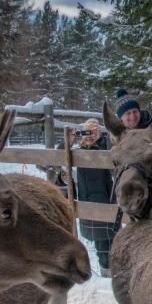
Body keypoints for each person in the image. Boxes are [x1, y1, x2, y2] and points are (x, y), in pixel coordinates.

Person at [54, 118, 116, 277]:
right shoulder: (77, 152)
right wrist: (69, 141)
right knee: (100, 246)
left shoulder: (104, 146)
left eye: (93, 131)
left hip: (105, 202)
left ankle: (111, 273)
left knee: (110, 243)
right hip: (86, 202)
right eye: (86, 132)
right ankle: (106, 274)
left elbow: (114, 150)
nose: (89, 135)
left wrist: (102, 137)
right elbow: (58, 157)